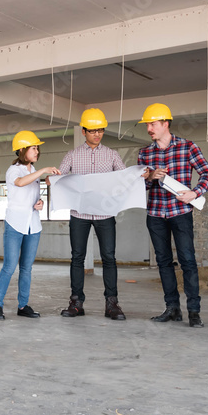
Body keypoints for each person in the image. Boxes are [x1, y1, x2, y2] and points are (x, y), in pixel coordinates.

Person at [137, 103, 208, 328]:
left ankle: (194, 311)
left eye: (153, 124)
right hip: (155, 214)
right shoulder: (145, 153)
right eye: (148, 125)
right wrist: (149, 177)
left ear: (165, 124)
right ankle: (172, 308)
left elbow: (207, 173)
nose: (149, 128)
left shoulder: (187, 147)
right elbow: (139, 187)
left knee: (188, 261)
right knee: (163, 262)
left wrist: (194, 193)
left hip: (180, 212)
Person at [55, 108, 127, 320]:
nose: (97, 134)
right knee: (77, 257)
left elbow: (123, 179)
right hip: (80, 214)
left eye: (101, 130)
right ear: (84, 131)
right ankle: (76, 302)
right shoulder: (72, 155)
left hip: (105, 214)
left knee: (109, 257)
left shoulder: (112, 155)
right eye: (93, 130)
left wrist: (136, 175)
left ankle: (112, 303)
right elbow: (61, 180)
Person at [0, 130, 60, 321]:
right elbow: (21, 183)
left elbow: (33, 196)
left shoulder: (33, 172)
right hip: (15, 224)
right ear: (22, 150)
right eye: (33, 148)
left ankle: (23, 305)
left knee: (26, 268)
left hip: (33, 225)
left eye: (37, 148)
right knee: (9, 266)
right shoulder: (14, 170)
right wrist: (43, 170)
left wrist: (40, 203)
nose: (37, 151)